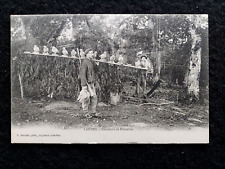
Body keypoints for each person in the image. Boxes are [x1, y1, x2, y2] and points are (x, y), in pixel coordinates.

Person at [77, 48, 101, 118]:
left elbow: (96, 71)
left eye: (92, 53)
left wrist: (97, 65)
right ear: (87, 54)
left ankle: (93, 112)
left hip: (91, 82)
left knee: (94, 97)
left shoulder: (91, 61)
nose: (92, 54)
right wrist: (84, 85)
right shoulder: (84, 62)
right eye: (91, 53)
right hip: (86, 82)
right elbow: (82, 74)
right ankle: (86, 112)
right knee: (86, 98)